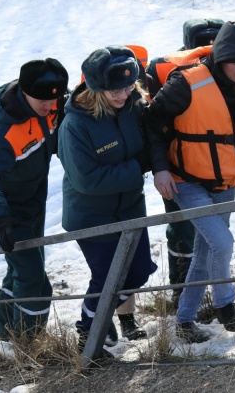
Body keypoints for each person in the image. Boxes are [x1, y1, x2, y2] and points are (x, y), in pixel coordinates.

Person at [144, 21, 235, 343]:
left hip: (225, 181)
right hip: (184, 181)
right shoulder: (185, 83)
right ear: (221, 57)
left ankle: (184, 322)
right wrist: (159, 169)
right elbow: (150, 124)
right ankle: (226, 304)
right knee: (222, 243)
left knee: (205, 252)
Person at [59, 46, 158, 358]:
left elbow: (152, 139)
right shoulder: (75, 126)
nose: (123, 95)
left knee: (139, 271)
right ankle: (89, 334)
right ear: (96, 88)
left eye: (129, 87)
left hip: (130, 207)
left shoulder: (133, 105)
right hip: (90, 214)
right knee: (106, 278)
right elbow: (88, 179)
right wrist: (138, 167)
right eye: (116, 89)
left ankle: (103, 316)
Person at [0, 58, 69, 342]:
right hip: (11, 215)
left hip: (35, 204)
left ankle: (7, 339)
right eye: (42, 101)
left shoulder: (52, 104)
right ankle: (29, 345)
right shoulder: (1, 133)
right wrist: (1, 220)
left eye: (55, 100)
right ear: (24, 92)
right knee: (34, 279)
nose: (50, 107)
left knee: (18, 273)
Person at [145, 18, 222, 307]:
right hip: (178, 166)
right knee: (182, 228)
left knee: (216, 229)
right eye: (201, 47)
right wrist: (160, 166)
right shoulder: (162, 69)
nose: (208, 53)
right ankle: (181, 289)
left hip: (220, 165)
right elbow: (150, 123)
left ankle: (216, 288)